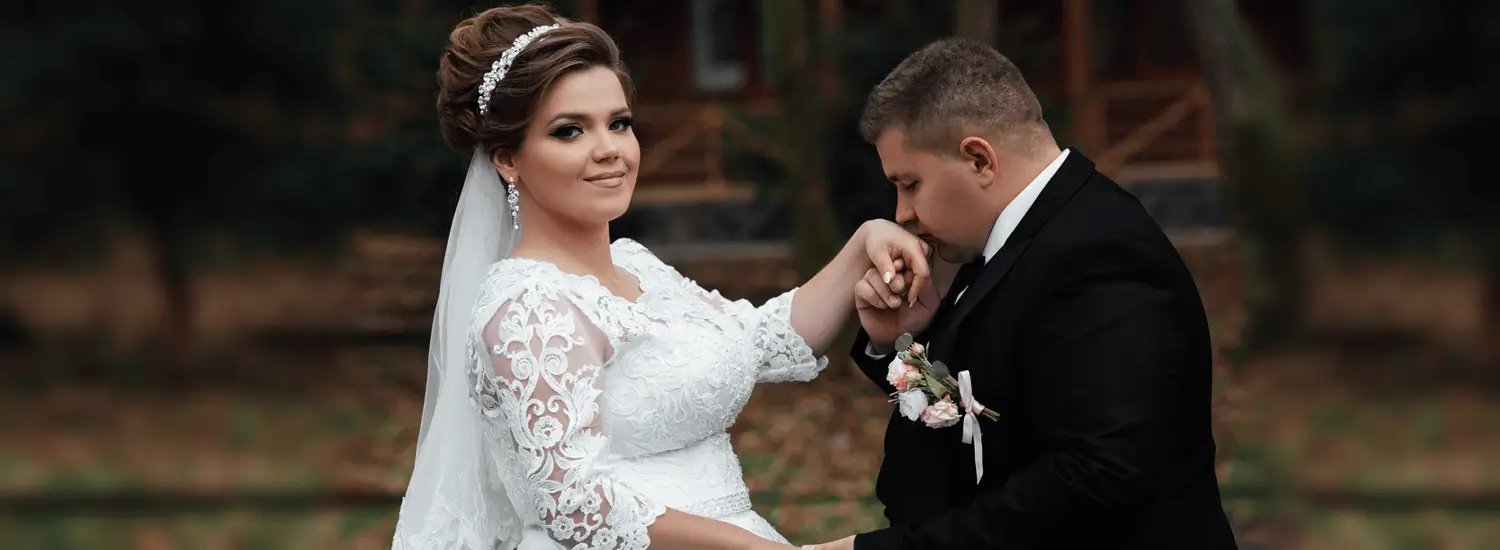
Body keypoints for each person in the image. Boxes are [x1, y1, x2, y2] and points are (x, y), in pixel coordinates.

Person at [390, 5, 930, 549]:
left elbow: (759, 340)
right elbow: (573, 503)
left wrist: (862, 244)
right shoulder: (529, 306)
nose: (609, 150)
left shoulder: (637, 265)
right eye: (569, 131)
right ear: (507, 159)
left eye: (619, 123)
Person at [809, 38, 1237, 549]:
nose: (902, 213)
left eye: (911, 183)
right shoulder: (1010, 239)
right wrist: (905, 347)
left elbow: (1096, 477)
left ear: (979, 160)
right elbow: (981, 418)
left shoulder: (1097, 252)